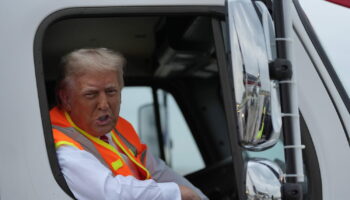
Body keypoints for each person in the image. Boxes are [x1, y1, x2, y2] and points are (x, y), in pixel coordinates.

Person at [50, 48, 208, 200]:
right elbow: (110, 193)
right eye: (91, 94)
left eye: (111, 91)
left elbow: (158, 171)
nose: (104, 104)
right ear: (66, 99)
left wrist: (200, 197)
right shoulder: (61, 144)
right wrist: (176, 193)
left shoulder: (119, 129)